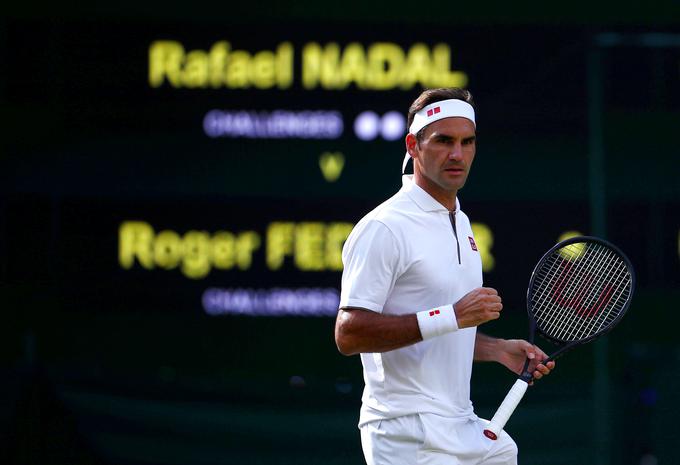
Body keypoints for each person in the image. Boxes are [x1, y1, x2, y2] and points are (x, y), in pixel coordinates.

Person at [335, 87, 555, 465]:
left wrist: (496, 349)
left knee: (505, 451)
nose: (457, 154)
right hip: (406, 430)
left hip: (459, 424)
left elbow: (440, 333)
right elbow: (349, 333)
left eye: (467, 142)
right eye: (444, 141)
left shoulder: (462, 222)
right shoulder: (384, 227)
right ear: (413, 146)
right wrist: (451, 315)